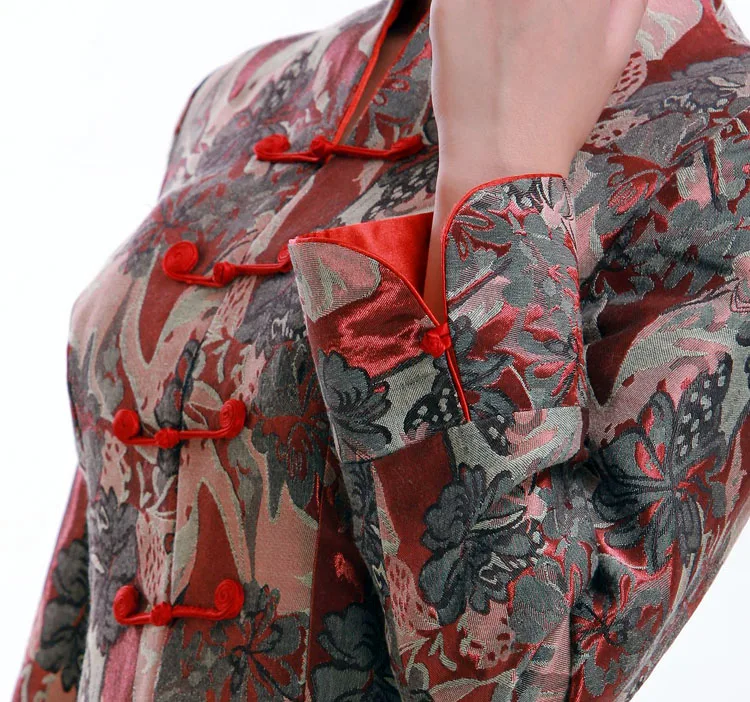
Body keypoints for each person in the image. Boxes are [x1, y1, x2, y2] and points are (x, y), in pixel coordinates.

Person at [13, 0, 750, 699]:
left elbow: (523, 679)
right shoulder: (245, 95)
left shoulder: (722, 135)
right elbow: (86, 594)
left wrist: (499, 182)